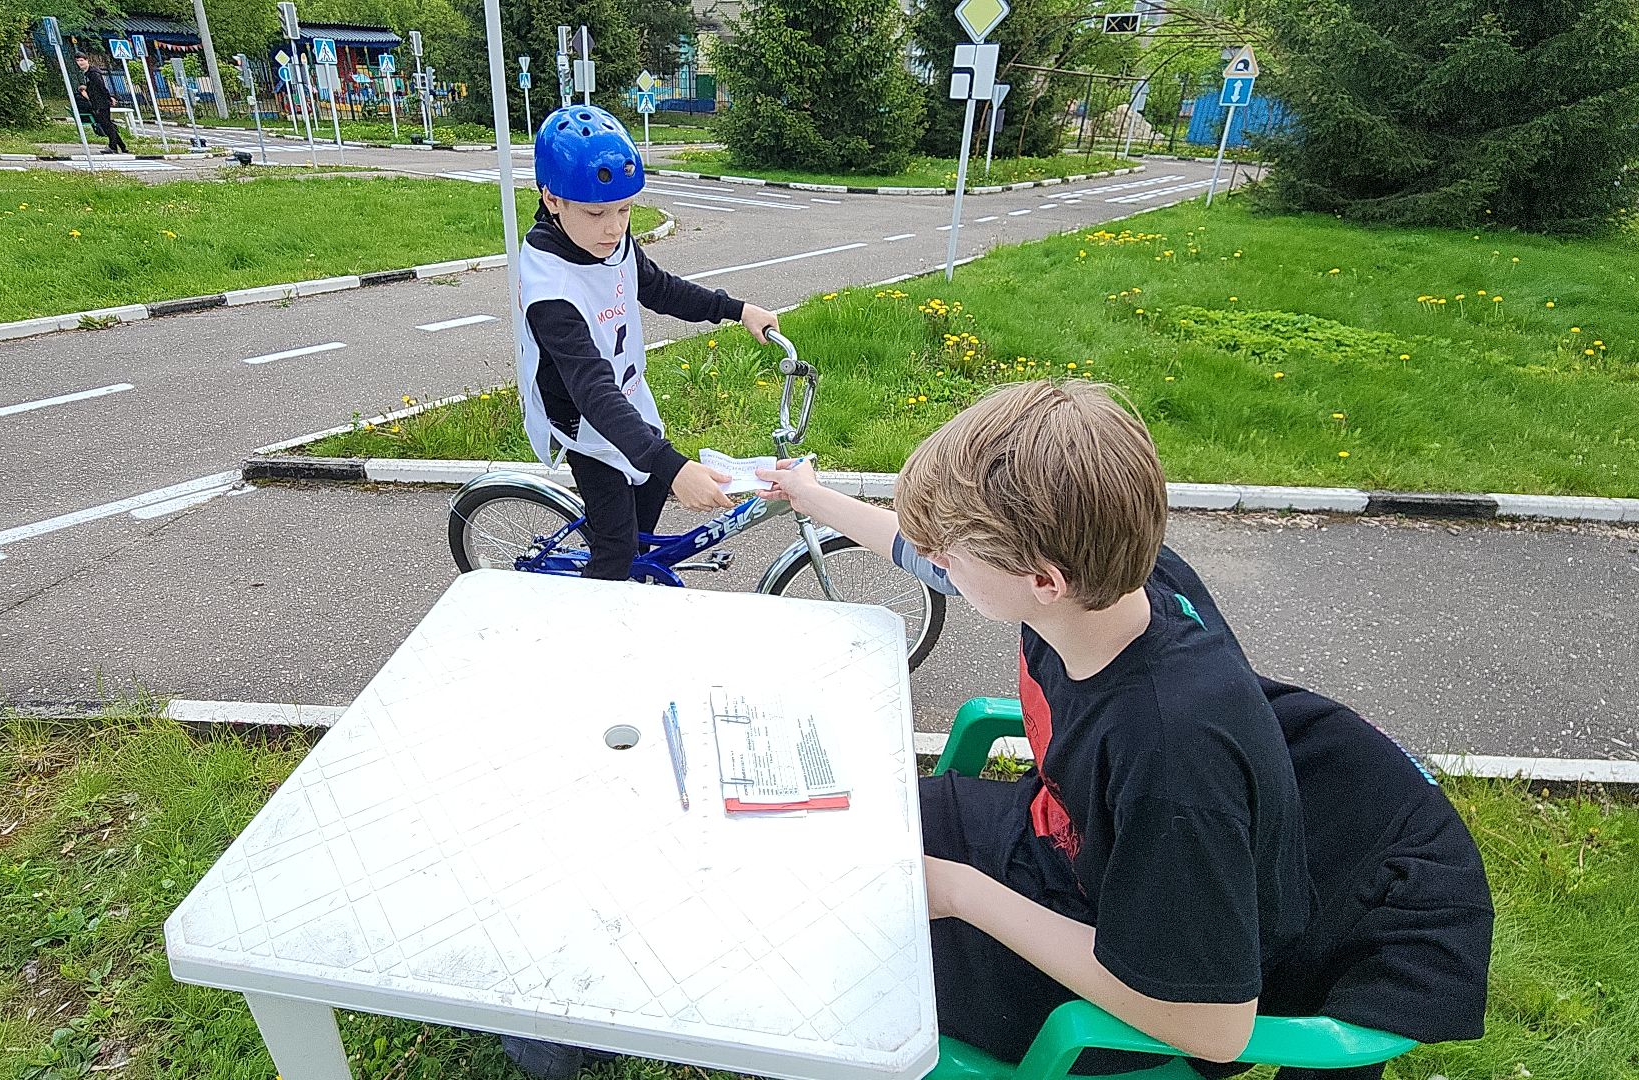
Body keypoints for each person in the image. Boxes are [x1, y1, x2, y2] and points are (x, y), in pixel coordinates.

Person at [755, 380, 1492, 1078]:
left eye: (951, 552)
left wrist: (956, 892)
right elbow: (929, 554)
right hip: (1063, 850)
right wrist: (812, 496)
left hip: (1126, 969)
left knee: (833, 958)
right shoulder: (1114, 577)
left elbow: (1215, 1027)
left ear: (1043, 581)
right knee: (814, 837)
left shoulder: (1169, 760)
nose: (935, 563)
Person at [513, 104, 779, 582]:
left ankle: (635, 577)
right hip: (589, 423)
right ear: (552, 200)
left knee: (648, 498)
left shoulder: (606, 239)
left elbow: (658, 287)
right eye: (598, 212)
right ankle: (599, 619)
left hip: (630, 399)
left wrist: (737, 310)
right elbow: (590, 388)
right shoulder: (549, 287)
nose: (615, 228)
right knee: (615, 548)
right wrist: (674, 467)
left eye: (625, 209)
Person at [74, 53, 128, 154]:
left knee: (107, 125)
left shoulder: (93, 73)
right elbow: (94, 87)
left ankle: (113, 147)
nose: (80, 63)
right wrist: (86, 88)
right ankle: (122, 146)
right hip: (98, 102)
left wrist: (109, 98)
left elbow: (101, 87)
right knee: (107, 125)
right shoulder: (88, 73)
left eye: (81, 60)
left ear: (86, 60)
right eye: (78, 61)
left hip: (101, 103)